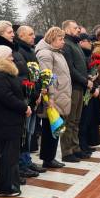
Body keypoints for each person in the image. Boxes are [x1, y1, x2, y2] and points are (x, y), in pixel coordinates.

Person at [0, 45, 30, 197]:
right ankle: (6, 187)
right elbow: (7, 98)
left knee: (9, 154)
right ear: (2, 58)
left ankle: (8, 185)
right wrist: (24, 107)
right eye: (10, 56)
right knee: (7, 155)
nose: (13, 58)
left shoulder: (5, 74)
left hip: (10, 120)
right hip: (4, 121)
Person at [35, 26, 70, 169]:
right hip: (53, 97)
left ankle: (51, 157)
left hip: (60, 94)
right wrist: (51, 97)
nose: (63, 42)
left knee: (54, 127)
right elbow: (46, 76)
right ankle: (47, 158)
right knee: (50, 129)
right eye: (60, 39)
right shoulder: (45, 54)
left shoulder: (56, 52)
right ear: (52, 39)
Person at [60, 21, 92, 163]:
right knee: (69, 120)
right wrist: (85, 81)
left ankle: (75, 148)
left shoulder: (75, 43)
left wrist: (88, 76)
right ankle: (67, 151)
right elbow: (70, 69)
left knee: (76, 120)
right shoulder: (66, 44)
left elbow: (81, 66)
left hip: (80, 87)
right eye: (75, 28)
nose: (78, 30)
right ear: (67, 29)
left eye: (78, 27)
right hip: (73, 87)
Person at [15, 25, 42, 176]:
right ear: (21, 36)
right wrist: (32, 94)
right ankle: (22, 163)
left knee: (30, 132)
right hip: (26, 96)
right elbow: (25, 76)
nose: (33, 37)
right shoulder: (20, 51)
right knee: (24, 132)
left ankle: (27, 160)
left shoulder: (30, 50)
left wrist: (38, 93)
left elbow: (36, 74)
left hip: (34, 95)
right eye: (30, 34)